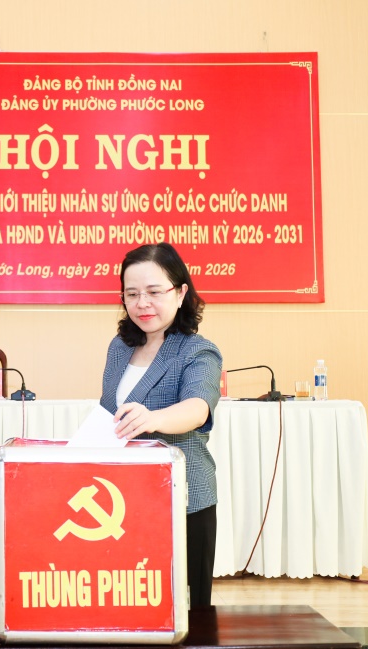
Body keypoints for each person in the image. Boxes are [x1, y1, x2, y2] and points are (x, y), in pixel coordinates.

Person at [99, 242, 222, 609]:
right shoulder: (119, 348)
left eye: (154, 292)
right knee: (132, 605)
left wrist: (153, 419)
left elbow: (197, 408)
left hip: (183, 500)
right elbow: (109, 412)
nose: (142, 303)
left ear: (181, 293)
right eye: (132, 294)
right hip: (124, 502)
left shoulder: (198, 351)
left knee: (188, 611)